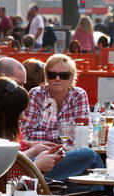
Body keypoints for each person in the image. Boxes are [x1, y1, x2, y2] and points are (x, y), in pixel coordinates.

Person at [20, 53, 102, 183]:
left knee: (85, 164)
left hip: (68, 155)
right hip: (41, 157)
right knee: (90, 157)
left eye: (64, 75)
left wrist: (50, 136)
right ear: (47, 77)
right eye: (52, 75)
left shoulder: (78, 95)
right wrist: (64, 133)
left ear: (71, 78)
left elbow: (82, 134)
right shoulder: (36, 94)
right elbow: (26, 134)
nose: (57, 79)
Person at [0, 77, 61, 175]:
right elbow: (4, 183)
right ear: (7, 113)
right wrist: (37, 165)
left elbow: (9, 166)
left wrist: (33, 150)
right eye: (20, 111)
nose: (24, 117)